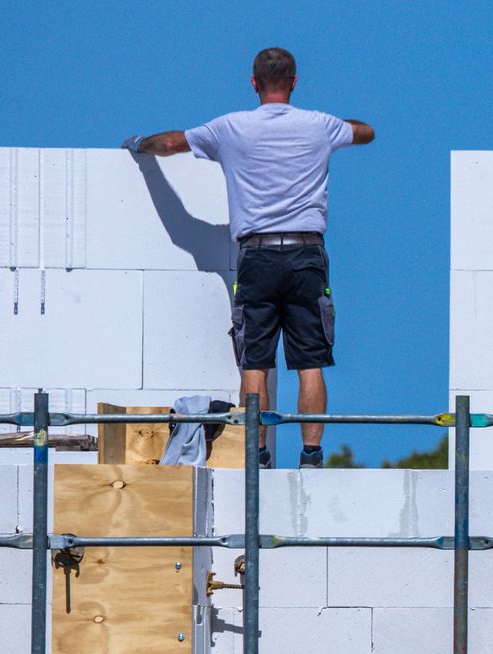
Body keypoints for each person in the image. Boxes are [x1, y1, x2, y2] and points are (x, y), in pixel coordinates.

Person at [124, 47, 374, 467]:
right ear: (294, 82)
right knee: (310, 361)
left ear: (254, 83)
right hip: (306, 252)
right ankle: (311, 454)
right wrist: (339, 129)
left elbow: (169, 143)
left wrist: (138, 145)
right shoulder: (319, 126)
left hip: (256, 257)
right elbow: (365, 132)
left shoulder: (231, 128)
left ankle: (257, 453)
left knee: (255, 361)